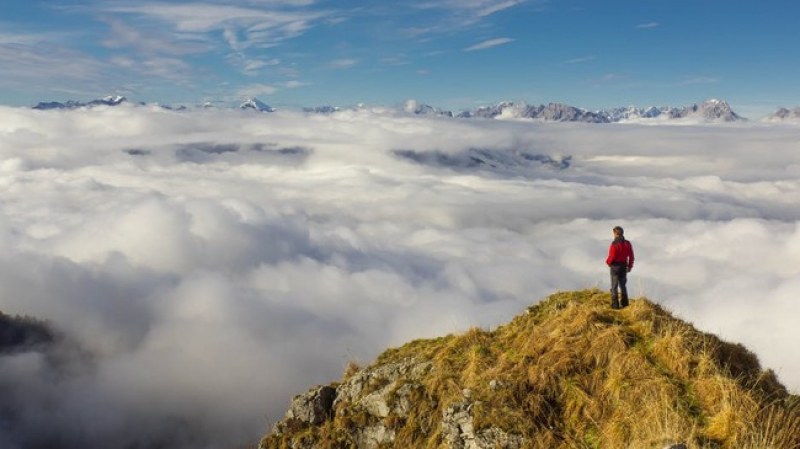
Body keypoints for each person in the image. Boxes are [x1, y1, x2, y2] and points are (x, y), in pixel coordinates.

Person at [606, 226, 634, 309]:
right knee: (623, 285)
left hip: (615, 267)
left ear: (615, 234)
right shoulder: (628, 243)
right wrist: (629, 266)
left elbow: (612, 256)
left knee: (614, 286)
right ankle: (625, 303)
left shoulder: (614, 245)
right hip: (623, 266)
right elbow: (631, 256)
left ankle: (615, 305)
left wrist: (608, 262)